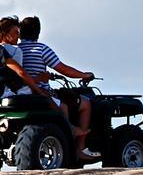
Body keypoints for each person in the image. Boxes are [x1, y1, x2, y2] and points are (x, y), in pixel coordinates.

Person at [18, 16, 99, 161]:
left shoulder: (15, 50)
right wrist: (84, 74)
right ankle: (79, 148)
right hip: (42, 92)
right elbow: (63, 69)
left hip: (21, 94)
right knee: (85, 104)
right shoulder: (40, 49)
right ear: (37, 32)